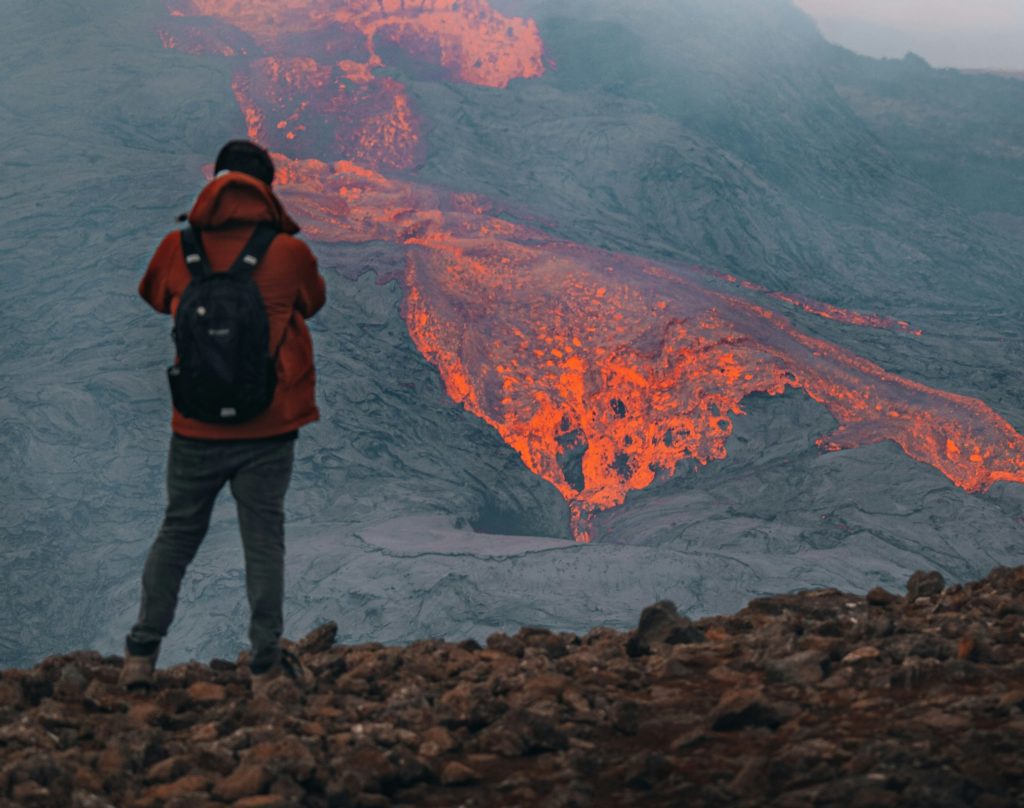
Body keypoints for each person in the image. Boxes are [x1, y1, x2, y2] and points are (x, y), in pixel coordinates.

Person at [120, 140, 326, 693]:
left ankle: (141, 654)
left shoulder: (176, 248)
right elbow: (313, 301)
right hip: (270, 426)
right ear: (267, 189)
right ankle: (264, 665)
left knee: (178, 532)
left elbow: (157, 298)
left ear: (213, 183)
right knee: (263, 538)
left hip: (196, 427)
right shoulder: (289, 254)